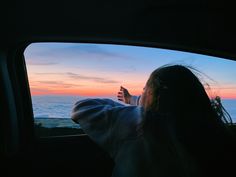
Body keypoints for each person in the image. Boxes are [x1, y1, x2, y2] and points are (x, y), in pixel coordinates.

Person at [71, 65, 235, 177]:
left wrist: (136, 106)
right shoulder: (210, 130)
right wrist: (132, 100)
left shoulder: (137, 121)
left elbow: (82, 108)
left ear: (153, 94)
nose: (142, 93)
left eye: (145, 90)